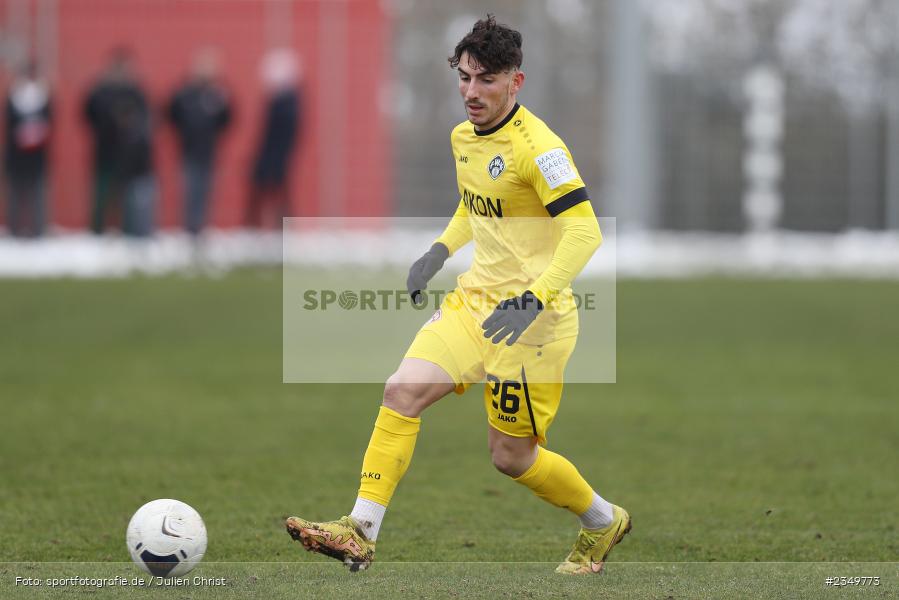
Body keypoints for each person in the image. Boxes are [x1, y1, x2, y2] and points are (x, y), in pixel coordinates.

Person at [286, 15, 630, 575]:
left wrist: (533, 299)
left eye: (486, 80)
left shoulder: (540, 149)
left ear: (515, 83)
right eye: (465, 78)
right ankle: (360, 530)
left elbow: (585, 231)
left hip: (534, 326)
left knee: (510, 457)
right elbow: (477, 205)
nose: (471, 92)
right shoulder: (462, 138)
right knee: (401, 391)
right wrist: (441, 250)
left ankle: (600, 520)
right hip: (474, 305)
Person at [84, 48, 155, 236]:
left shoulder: (135, 92)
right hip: (105, 153)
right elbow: (88, 115)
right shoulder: (101, 92)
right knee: (102, 196)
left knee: (128, 199)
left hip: (128, 157)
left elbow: (145, 119)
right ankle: (97, 231)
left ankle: (127, 231)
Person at [168, 48, 232, 236]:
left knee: (206, 193)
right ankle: (189, 230)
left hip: (209, 152)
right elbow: (172, 114)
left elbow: (227, 119)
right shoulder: (185, 94)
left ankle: (201, 230)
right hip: (189, 151)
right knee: (189, 192)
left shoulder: (217, 94)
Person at [245, 48, 300, 229]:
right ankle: (267, 227)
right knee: (268, 193)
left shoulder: (286, 104)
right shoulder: (286, 102)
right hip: (274, 155)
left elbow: (276, 133)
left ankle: (274, 227)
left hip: (275, 155)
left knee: (272, 192)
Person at [4, 62, 52, 237]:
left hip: (37, 154)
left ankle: (38, 229)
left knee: (38, 193)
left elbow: (49, 121)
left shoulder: (43, 95)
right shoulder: (13, 95)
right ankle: (14, 229)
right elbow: (10, 123)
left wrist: (35, 133)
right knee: (15, 192)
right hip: (16, 154)